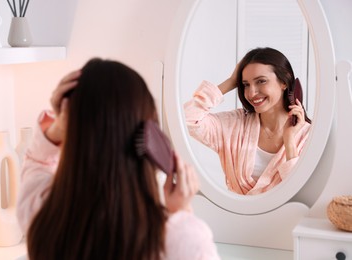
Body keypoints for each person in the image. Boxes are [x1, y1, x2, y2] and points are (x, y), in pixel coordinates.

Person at [17, 58, 221, 260]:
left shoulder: (41, 217)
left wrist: (58, 127)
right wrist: (182, 214)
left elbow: (36, 164)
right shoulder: (179, 241)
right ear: (148, 131)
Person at [184, 47, 311, 195]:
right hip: (235, 217)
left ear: (284, 81)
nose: (251, 93)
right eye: (246, 84)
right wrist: (231, 81)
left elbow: (302, 193)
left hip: (286, 218)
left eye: (261, 81)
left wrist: (289, 142)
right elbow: (186, 119)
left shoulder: (308, 136)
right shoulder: (233, 125)